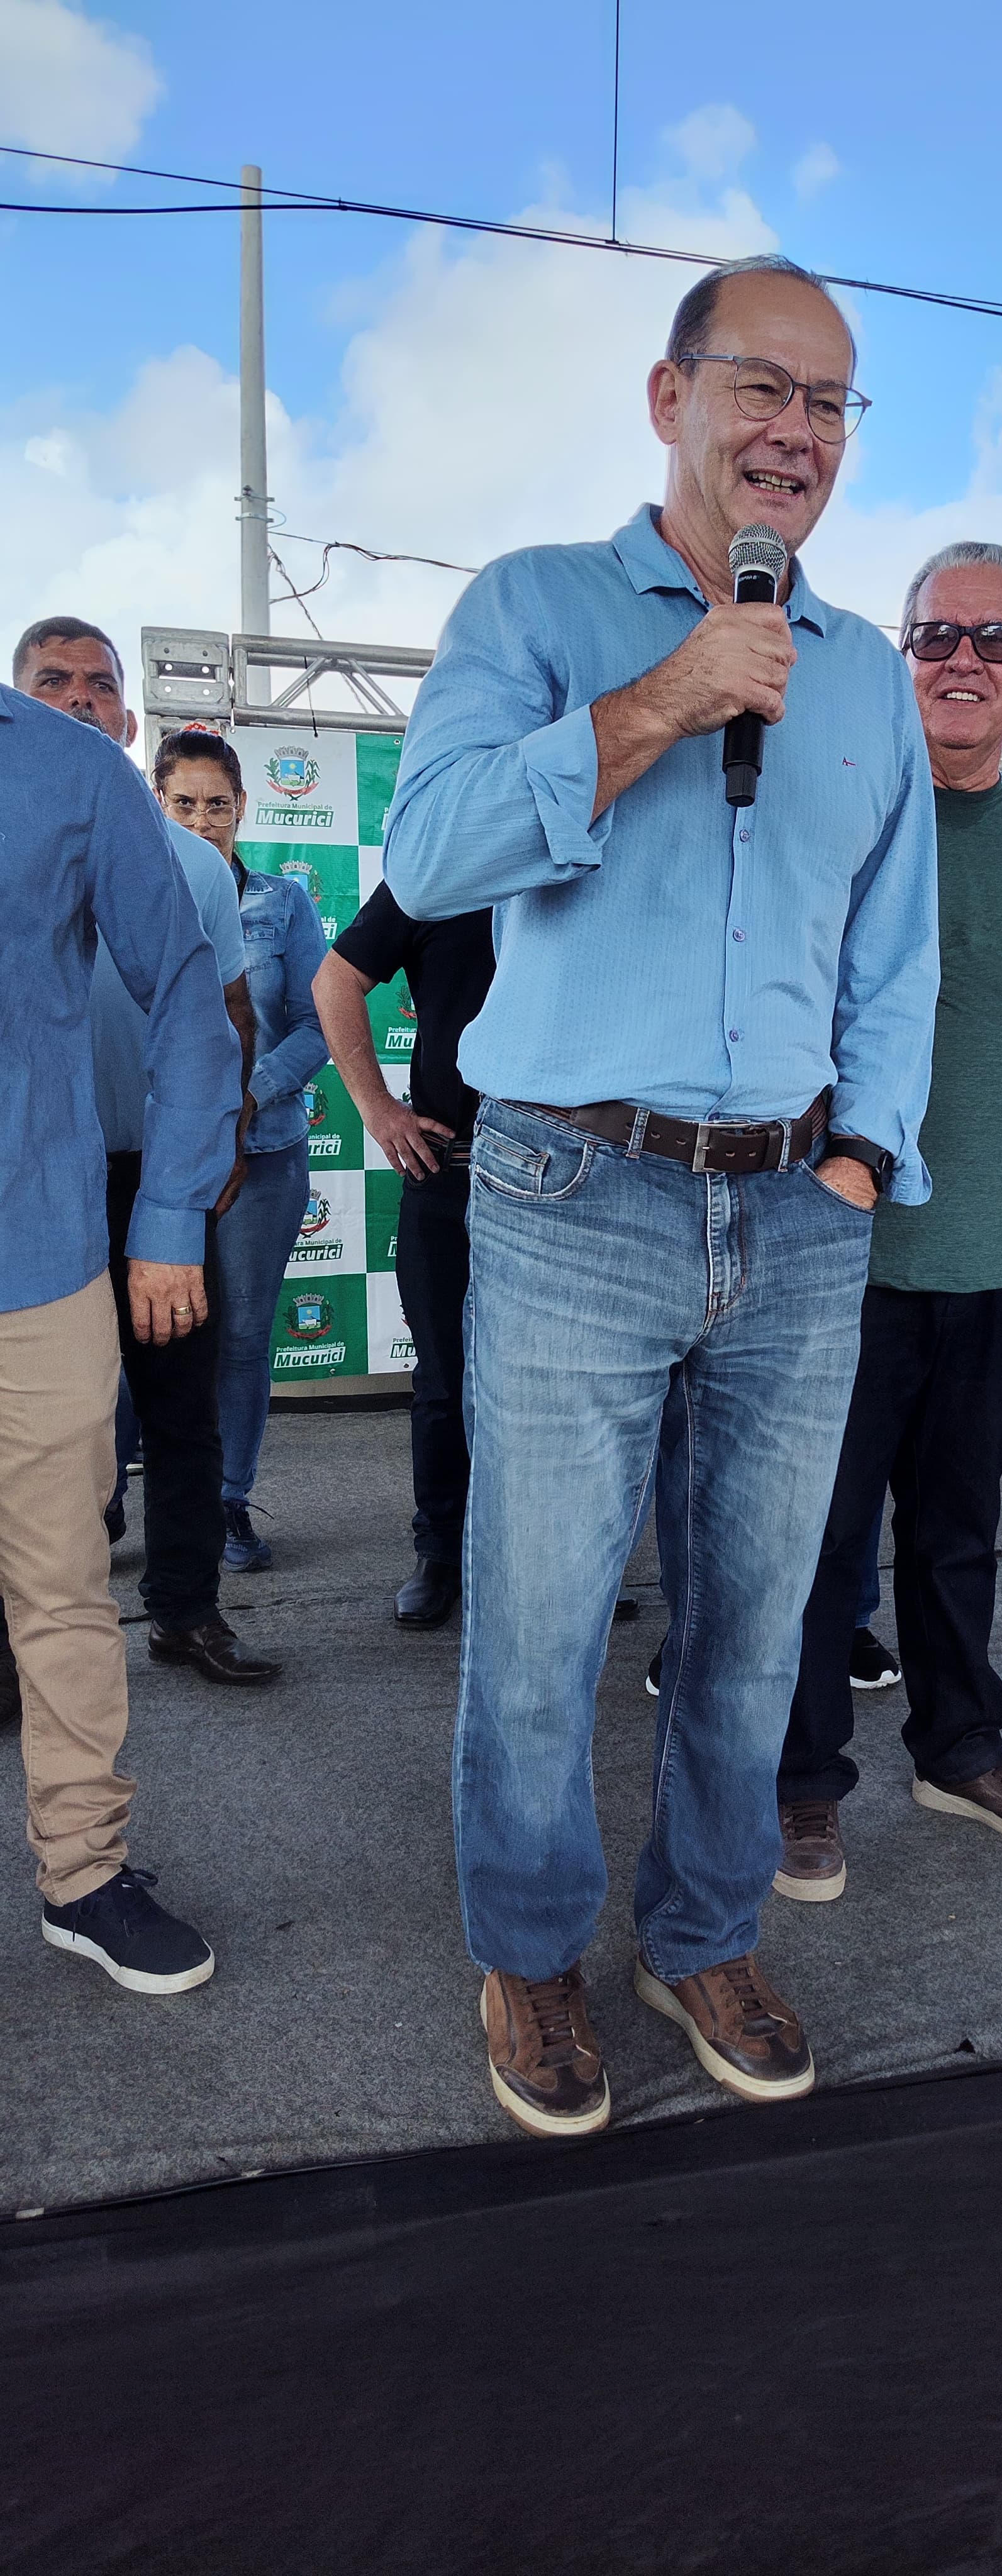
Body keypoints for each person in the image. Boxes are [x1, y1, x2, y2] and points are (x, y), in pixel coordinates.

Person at [383, 253, 938, 2138]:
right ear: (669, 395)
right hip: (570, 1185)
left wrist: (861, 1159)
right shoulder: (534, 606)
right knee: (540, 1633)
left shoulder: (862, 674)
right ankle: (532, 1951)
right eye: (760, 386)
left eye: (829, 403)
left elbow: (895, 953)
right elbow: (432, 855)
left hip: (796, 1212)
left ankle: (702, 1932)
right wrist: (659, 701)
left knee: (754, 1628)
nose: (796, 431)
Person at [773, 541, 1002, 1899]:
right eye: (935, 634)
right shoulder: (833, 814)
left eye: (994, 639)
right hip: (834, 1254)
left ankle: (959, 1747)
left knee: (958, 1528)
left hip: (996, 1258)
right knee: (816, 1538)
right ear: (898, 654)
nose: (962, 658)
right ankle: (800, 1780)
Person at [0, 669, 240, 1990]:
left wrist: (169, 1213)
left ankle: (83, 1872)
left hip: (35, 1263)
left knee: (60, 1592)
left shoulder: (71, 768)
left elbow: (192, 1000)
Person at [12, 622, 277, 1687]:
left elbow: (225, 1014)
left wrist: (223, 1144)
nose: (80, 697)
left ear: (128, 718)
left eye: (100, 683)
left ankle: (186, 1609)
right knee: (37, 1430)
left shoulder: (195, 863)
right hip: (32, 1184)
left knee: (178, 1407)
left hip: (157, 1176)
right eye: (53, 681)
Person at [155, 730, 329, 1572]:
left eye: (217, 805)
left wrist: (245, 1097)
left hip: (263, 1156)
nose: (202, 821)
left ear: (242, 808)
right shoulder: (131, 893)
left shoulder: (282, 904)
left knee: (244, 1337)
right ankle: (110, 1497)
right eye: (184, 804)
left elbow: (319, 1024)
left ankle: (229, 1500)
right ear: (158, 805)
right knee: (145, 1333)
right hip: (156, 1160)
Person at [314, 888, 494, 1625]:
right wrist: (379, 1109)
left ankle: (555, 1560)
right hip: (450, 1175)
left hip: (572, 1186)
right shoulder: (440, 869)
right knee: (445, 1380)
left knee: (563, 1392)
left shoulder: (593, 858)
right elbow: (335, 979)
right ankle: (440, 1552)